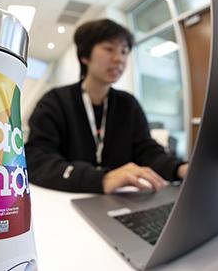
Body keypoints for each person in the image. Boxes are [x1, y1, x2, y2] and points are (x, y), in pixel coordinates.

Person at [25, 19, 188, 194]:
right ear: (85, 56)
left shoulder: (128, 104)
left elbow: (147, 151)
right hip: (67, 200)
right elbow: (37, 158)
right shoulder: (55, 101)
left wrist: (180, 168)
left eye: (124, 51)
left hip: (122, 199)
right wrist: (100, 179)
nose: (119, 59)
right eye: (109, 49)